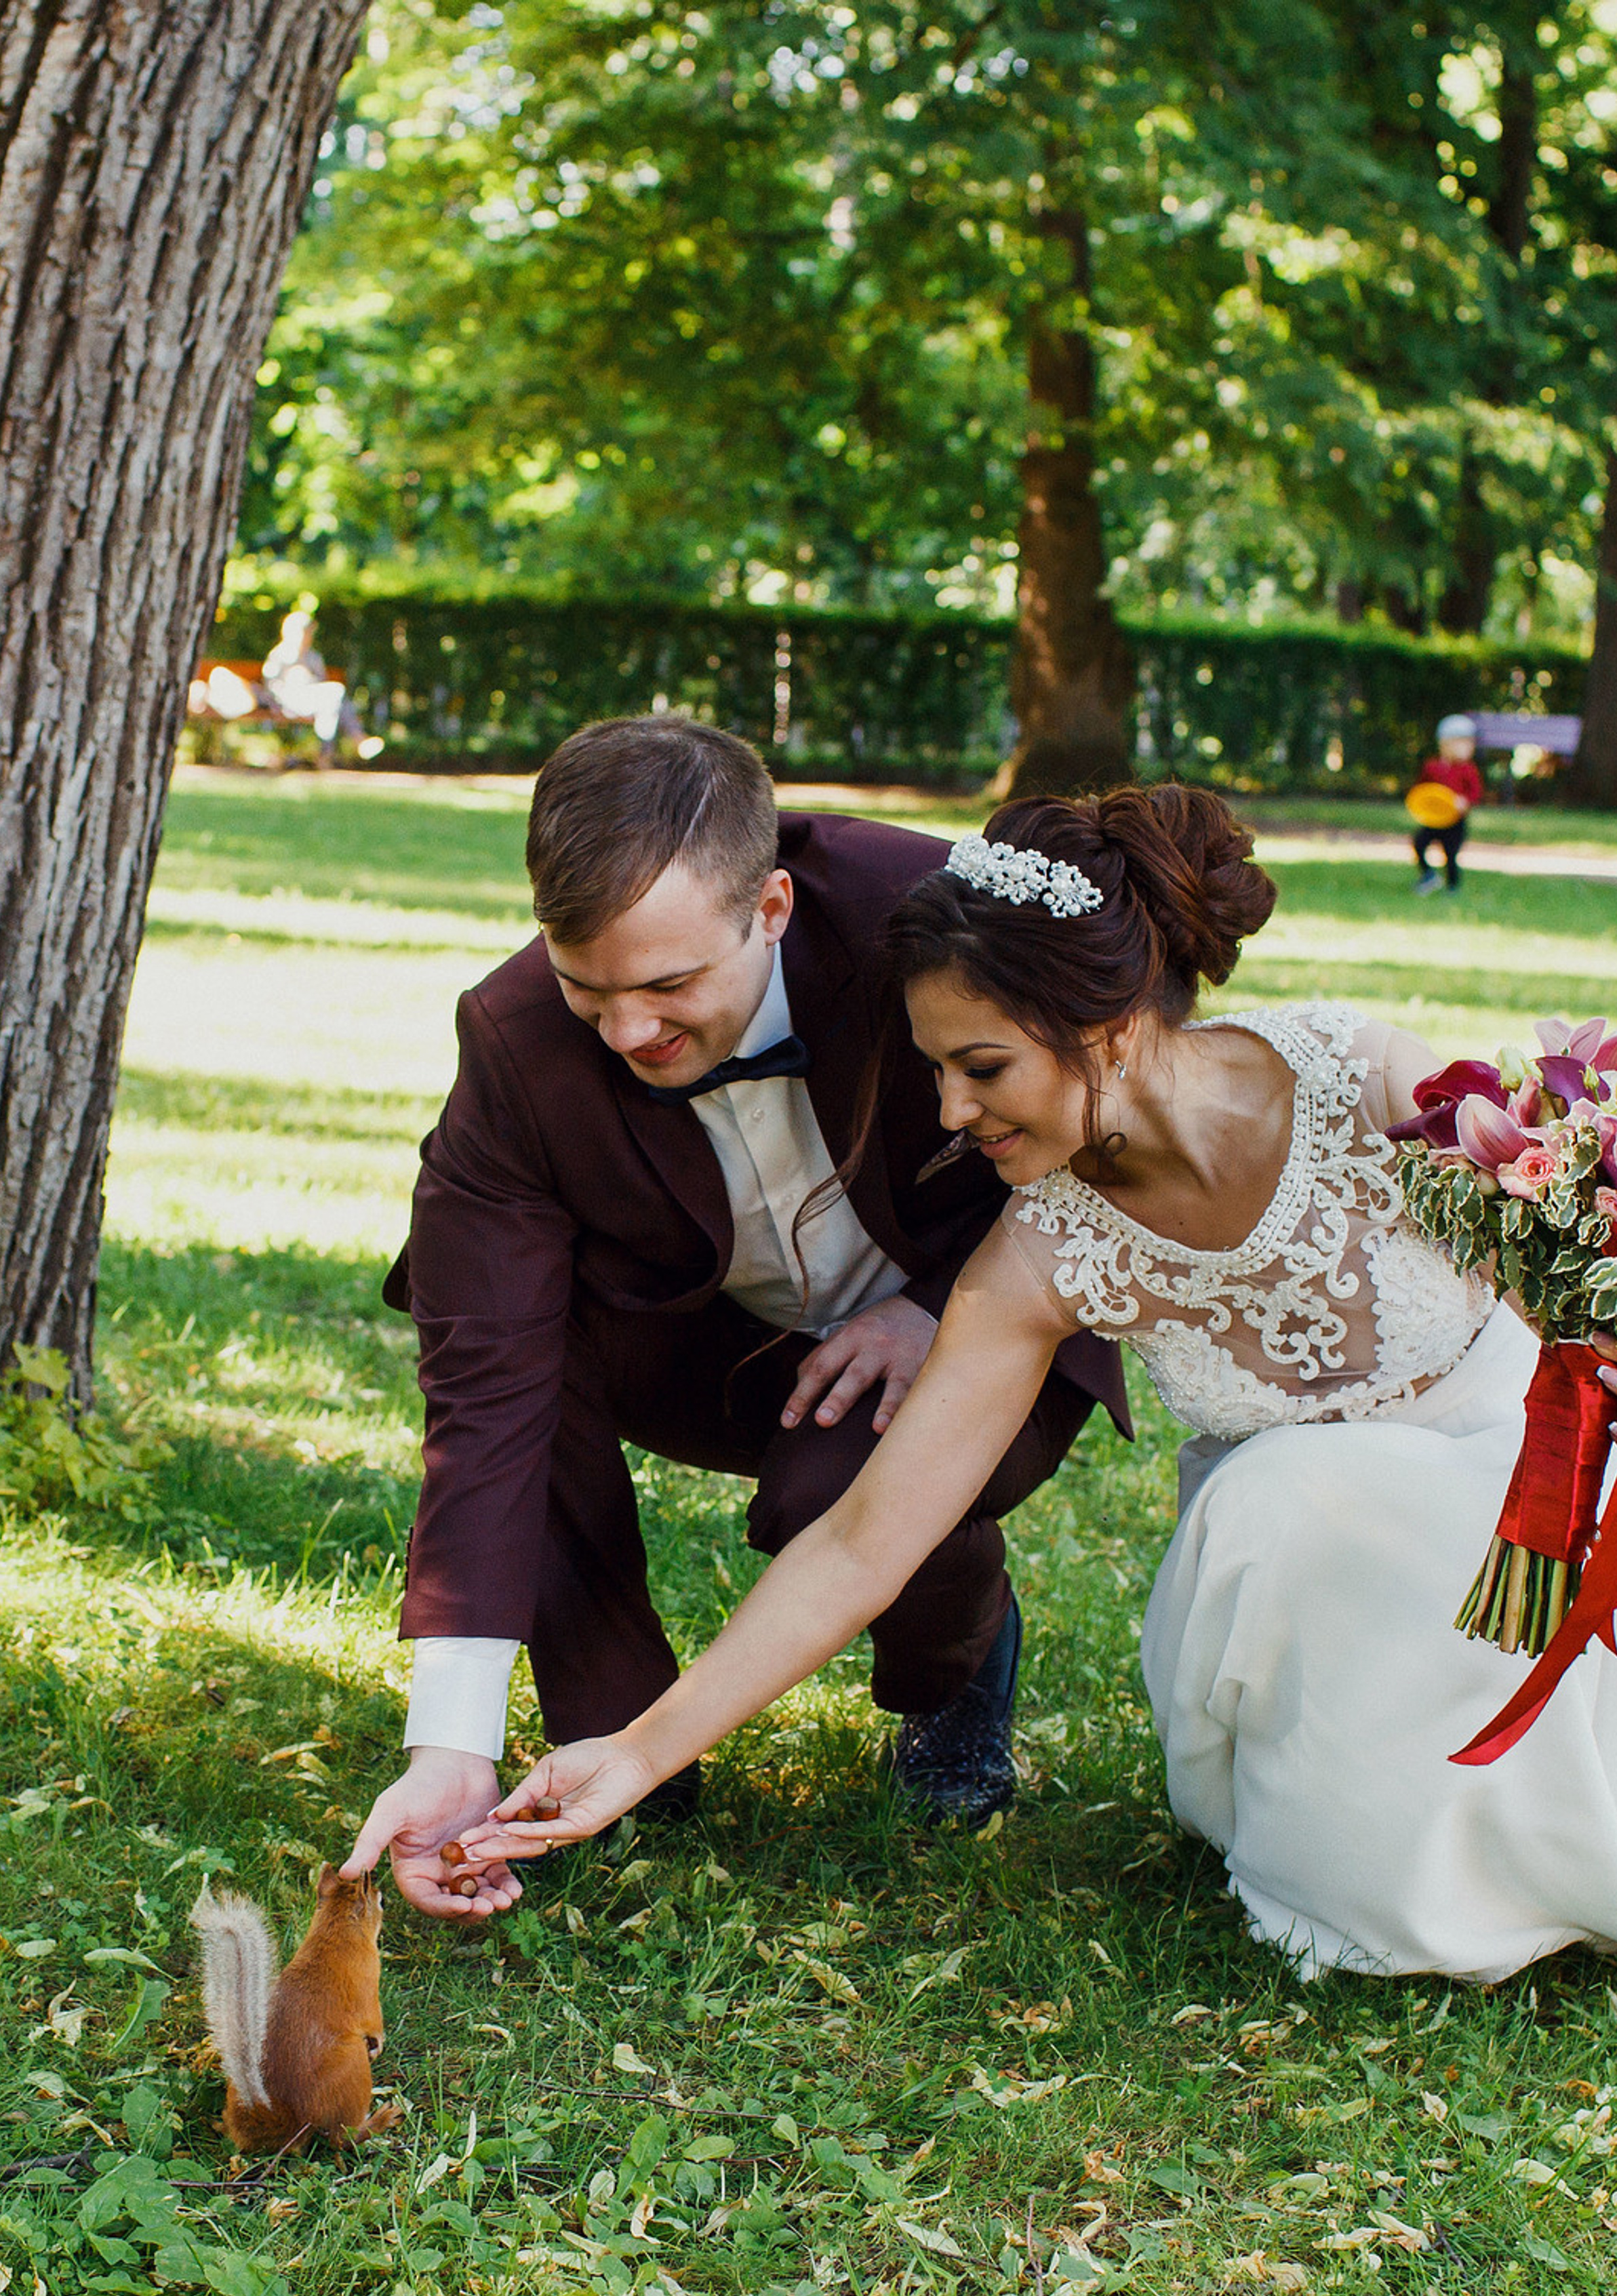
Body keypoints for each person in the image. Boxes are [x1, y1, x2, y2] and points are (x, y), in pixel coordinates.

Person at [454, 780, 1617, 1983]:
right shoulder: (1036, 1260)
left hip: (1540, 1492)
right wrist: (640, 1753)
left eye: (982, 1067)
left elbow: (1556, 1251)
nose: (951, 1113)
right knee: (1292, 1500)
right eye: (935, 1072)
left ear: (1107, 1026)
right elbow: (864, 1541)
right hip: (1311, 1603)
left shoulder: (1365, 1081)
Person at [342, 717, 1127, 1923]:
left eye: (667, 988)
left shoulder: (930, 914)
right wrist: (448, 1739)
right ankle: (609, 1749)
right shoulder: (511, 1039)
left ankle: (956, 1678)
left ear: (770, 906)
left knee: (836, 1495)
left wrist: (942, 1311)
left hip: (969, 1309)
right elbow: (481, 1385)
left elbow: (1117, 1092)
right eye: (586, 989)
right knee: (520, 1364)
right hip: (709, 1338)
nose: (628, 1035)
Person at [261, 611, 383, 764]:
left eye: (309, 633)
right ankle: (352, 743)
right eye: (306, 633)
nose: (308, 637)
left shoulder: (313, 657)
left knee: (335, 703)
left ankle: (330, 753)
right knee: (337, 696)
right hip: (289, 703)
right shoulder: (279, 656)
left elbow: (322, 681)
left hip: (315, 702)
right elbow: (271, 686)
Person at [1412, 713, 1483, 896]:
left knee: (1451, 854)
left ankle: (1453, 886)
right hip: (1434, 818)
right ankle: (1428, 875)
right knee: (1419, 843)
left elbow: (1475, 793)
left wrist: (1465, 802)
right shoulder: (1433, 767)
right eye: (1462, 742)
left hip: (1455, 821)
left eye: (1470, 743)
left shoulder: (1469, 770)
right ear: (1445, 744)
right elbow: (1421, 789)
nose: (1468, 748)